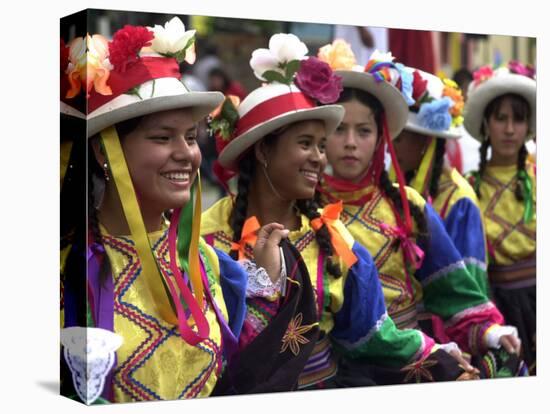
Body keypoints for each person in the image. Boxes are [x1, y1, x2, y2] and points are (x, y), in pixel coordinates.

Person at [202, 33, 475, 390]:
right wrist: (259, 286)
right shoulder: (207, 237)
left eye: (319, 145)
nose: (319, 156)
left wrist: (436, 353)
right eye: (305, 144)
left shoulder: (335, 241)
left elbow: (373, 335)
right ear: (263, 151)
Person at [60, 18, 288, 404]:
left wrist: (267, 280)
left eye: (190, 137)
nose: (186, 154)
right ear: (104, 151)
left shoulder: (205, 264)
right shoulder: (66, 271)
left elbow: (237, 369)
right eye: (163, 137)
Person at [316, 41, 522, 377]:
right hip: (337, 370)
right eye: (339, 129)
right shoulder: (309, 209)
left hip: (409, 363)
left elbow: (451, 287)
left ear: (381, 138)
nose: (351, 142)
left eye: (364, 130)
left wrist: (487, 329)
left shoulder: (406, 203)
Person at [464, 61, 536, 374]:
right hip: (496, 311)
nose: (509, 129)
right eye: (501, 119)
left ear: (529, 127)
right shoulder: (467, 188)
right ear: (485, 125)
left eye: (518, 120)